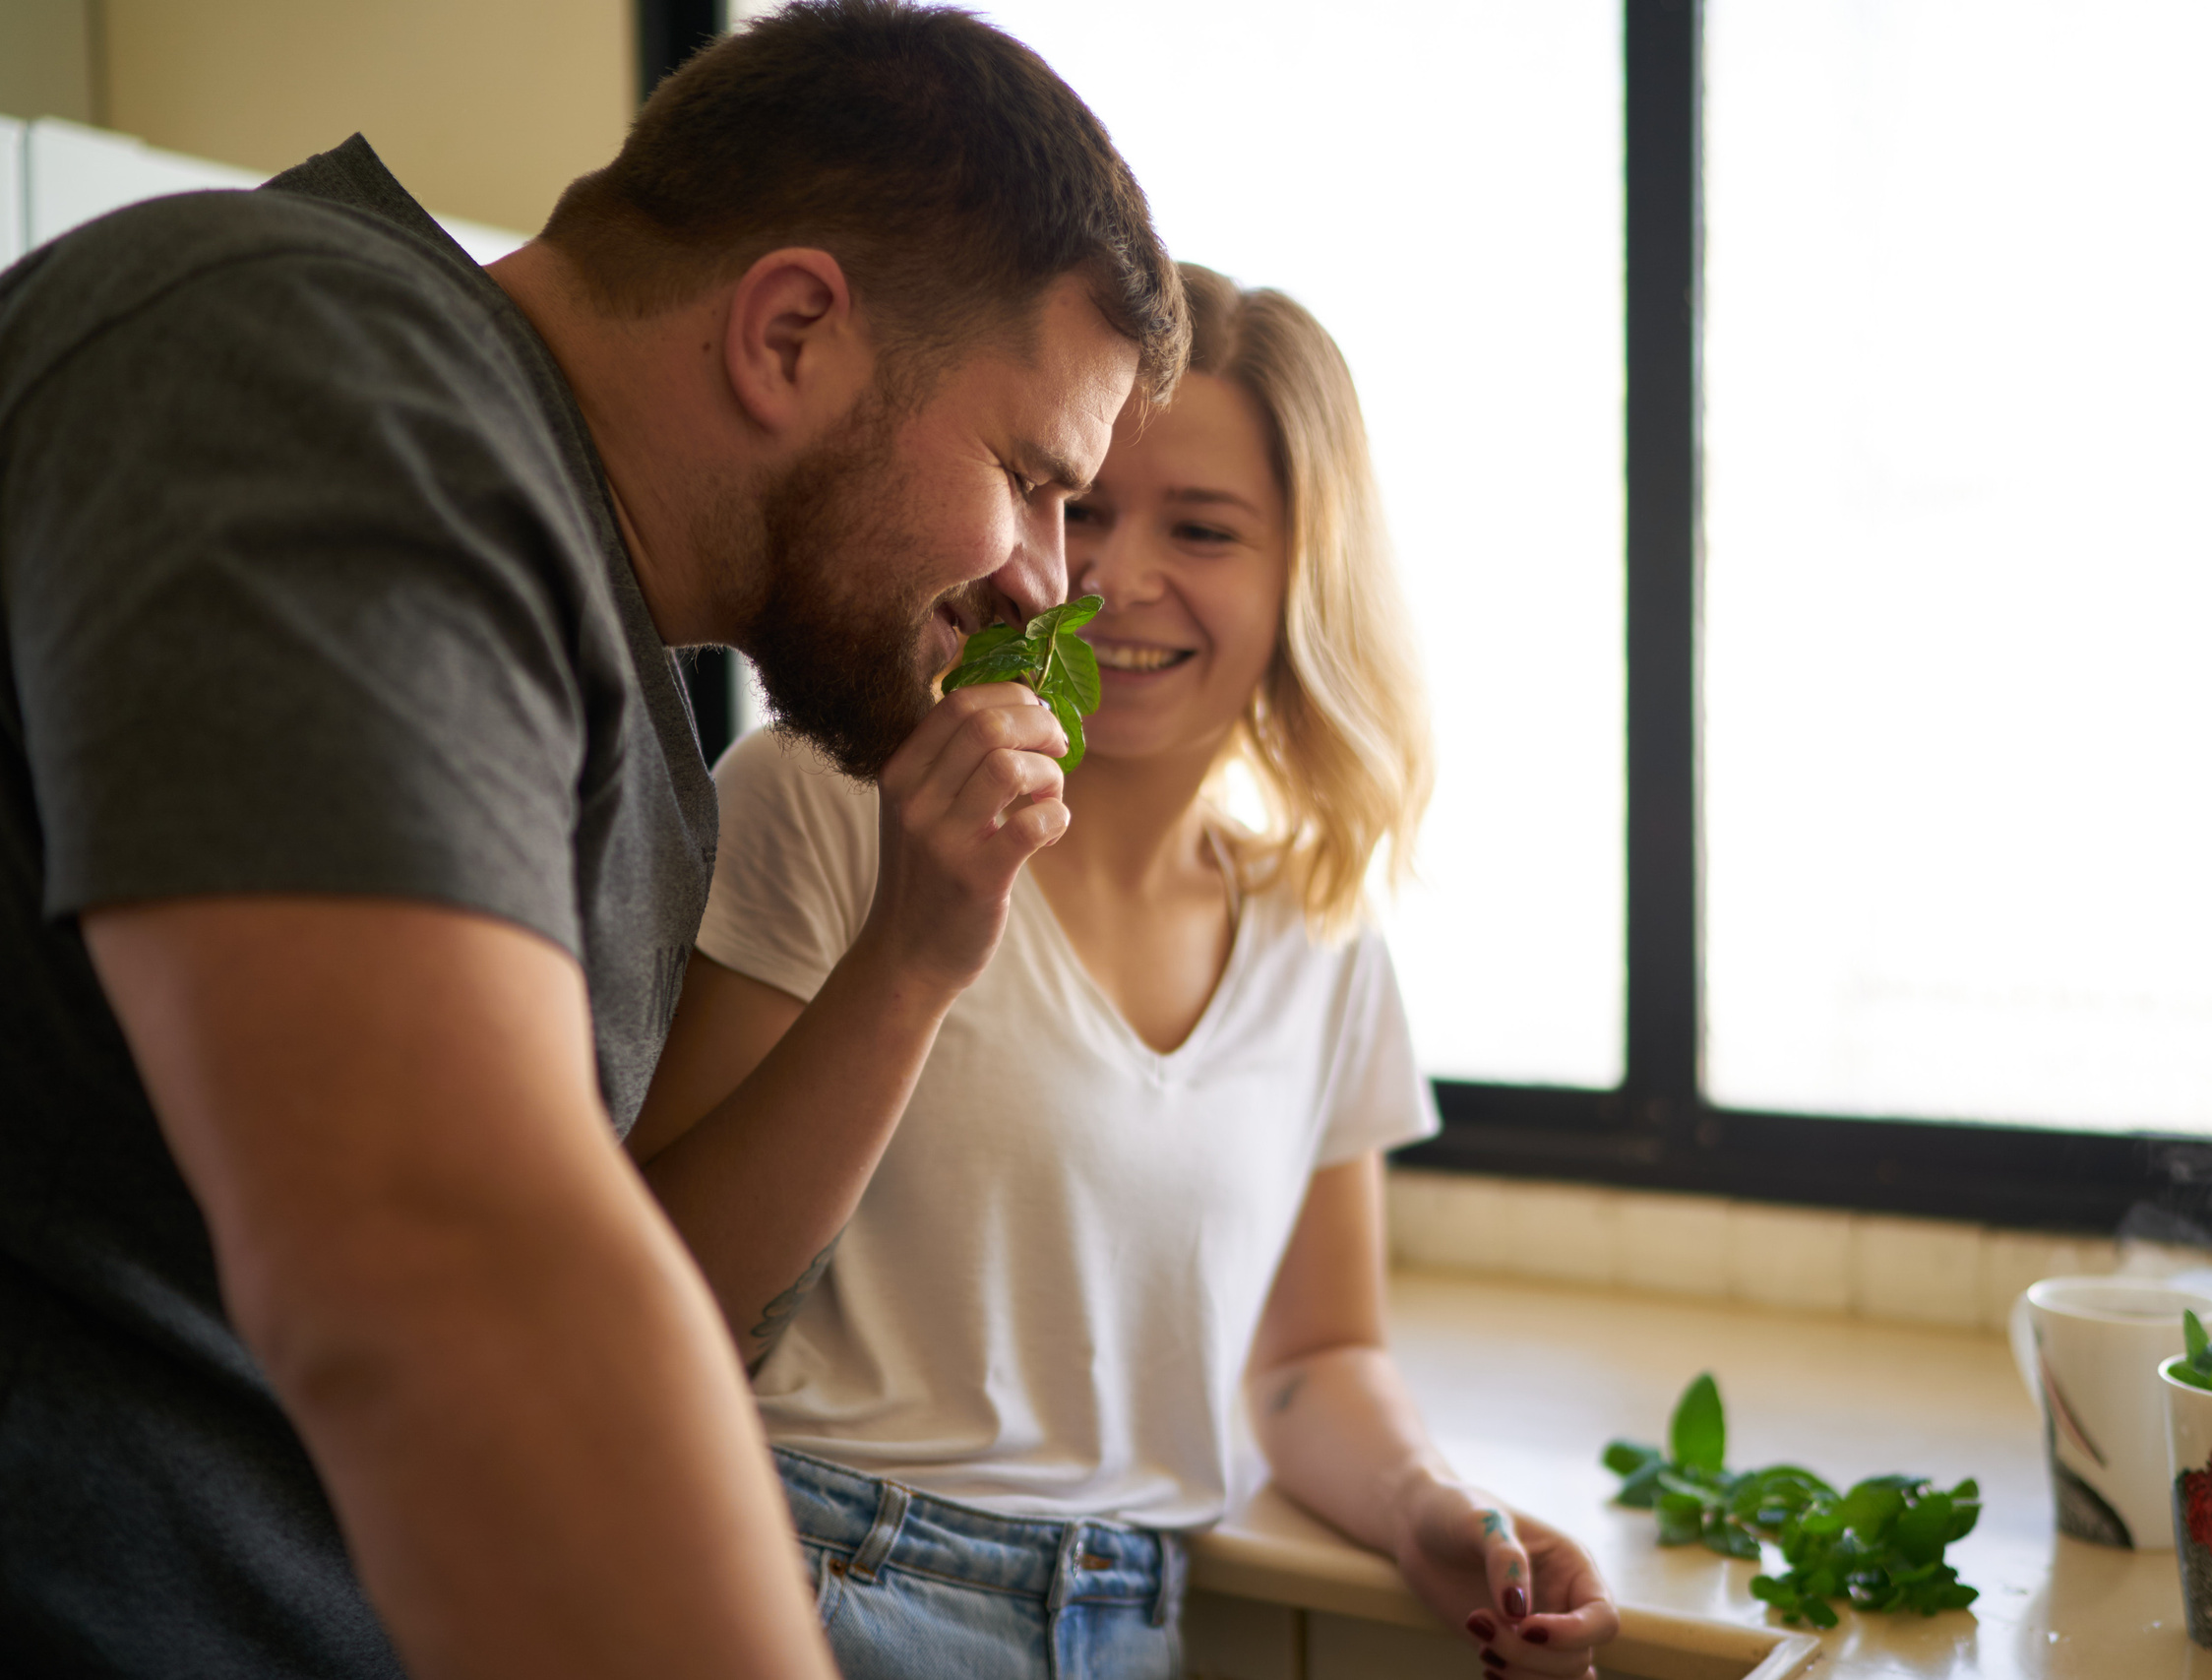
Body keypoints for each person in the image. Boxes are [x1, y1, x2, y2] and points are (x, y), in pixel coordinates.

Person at [0, 4, 1185, 1676]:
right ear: (788, 332)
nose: (1047, 578)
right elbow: (449, 1264)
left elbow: (652, 1296)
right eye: (1031, 475)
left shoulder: (618, 683)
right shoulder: (306, 363)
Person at [633, 265, 1621, 1680]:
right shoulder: (836, 795)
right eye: (1080, 506)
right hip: (817, 1575)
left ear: (1305, 579)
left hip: (1128, 1623)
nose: (1113, 574)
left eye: (1203, 528)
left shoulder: (1318, 926)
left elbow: (1310, 1358)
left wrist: (1435, 1516)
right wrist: (914, 957)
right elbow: (664, 1295)